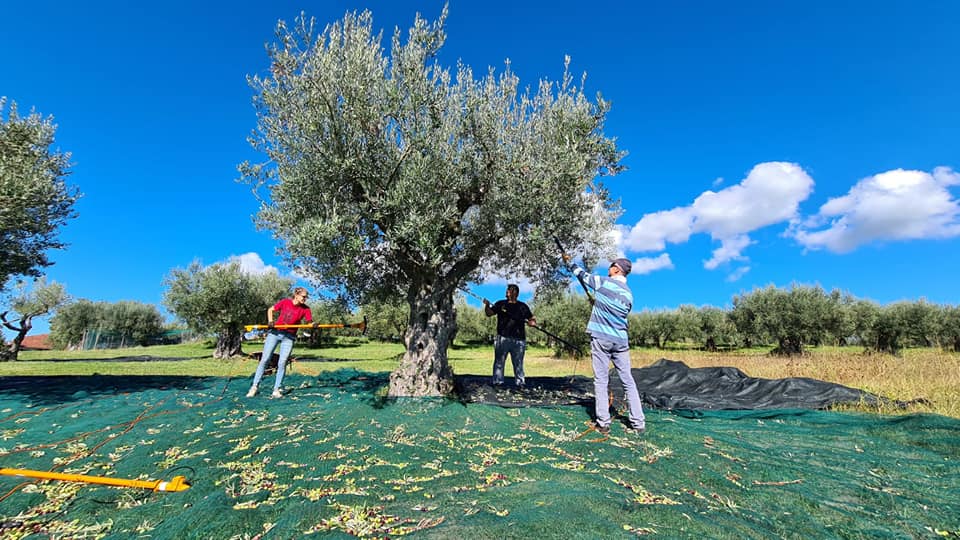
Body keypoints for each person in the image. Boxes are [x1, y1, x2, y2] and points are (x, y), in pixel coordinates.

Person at [563, 255, 645, 435]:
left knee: (601, 380)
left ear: (617, 269)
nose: (609, 268)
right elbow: (617, 312)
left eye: (611, 266)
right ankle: (638, 423)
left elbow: (581, 275)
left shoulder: (604, 282)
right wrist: (597, 303)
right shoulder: (629, 295)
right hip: (621, 341)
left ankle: (603, 423)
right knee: (628, 381)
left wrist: (569, 261)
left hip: (602, 338)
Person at [247, 287, 313, 398]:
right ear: (296, 295)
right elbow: (270, 310)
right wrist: (271, 321)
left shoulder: (306, 309)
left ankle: (277, 389)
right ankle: (254, 387)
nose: (305, 299)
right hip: (275, 333)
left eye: (306, 297)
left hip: (289, 337)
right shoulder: (285, 302)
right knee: (265, 359)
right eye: (303, 296)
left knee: (282, 362)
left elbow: (309, 322)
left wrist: (313, 325)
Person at [483, 284, 536, 387]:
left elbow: (531, 318)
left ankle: (520, 383)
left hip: (519, 340)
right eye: (507, 290)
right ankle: (498, 383)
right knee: (499, 362)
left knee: (518, 363)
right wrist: (487, 305)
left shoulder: (523, 306)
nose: (506, 292)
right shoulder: (500, 304)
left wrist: (532, 322)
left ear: (515, 293)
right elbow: (489, 313)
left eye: (509, 290)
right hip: (502, 338)